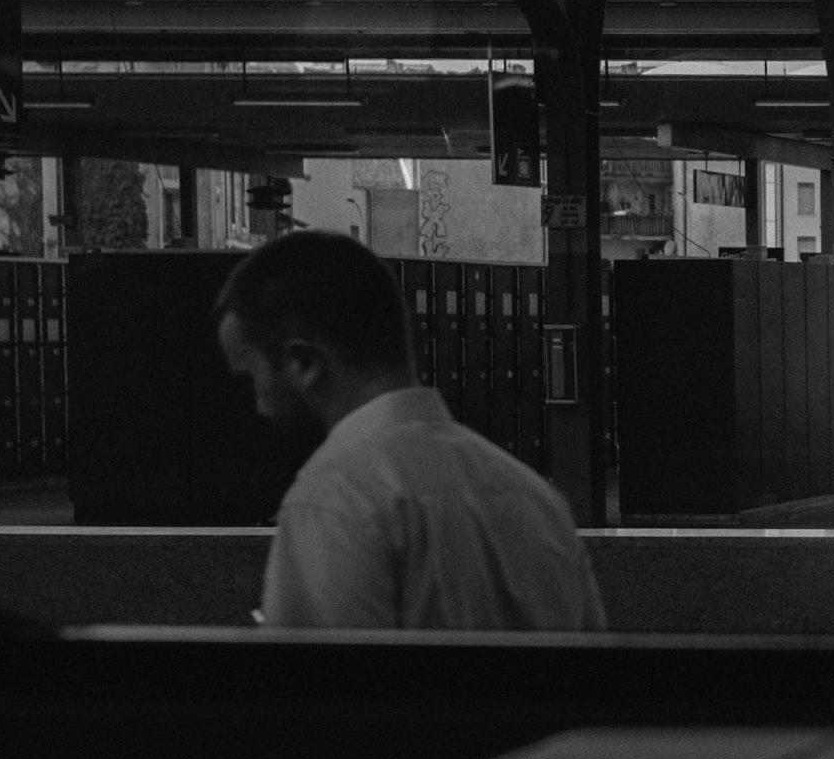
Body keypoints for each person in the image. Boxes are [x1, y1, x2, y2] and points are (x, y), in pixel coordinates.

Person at [214, 231, 607, 631]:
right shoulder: (537, 500)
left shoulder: (333, 501)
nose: (259, 405)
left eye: (252, 377)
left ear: (303, 362)